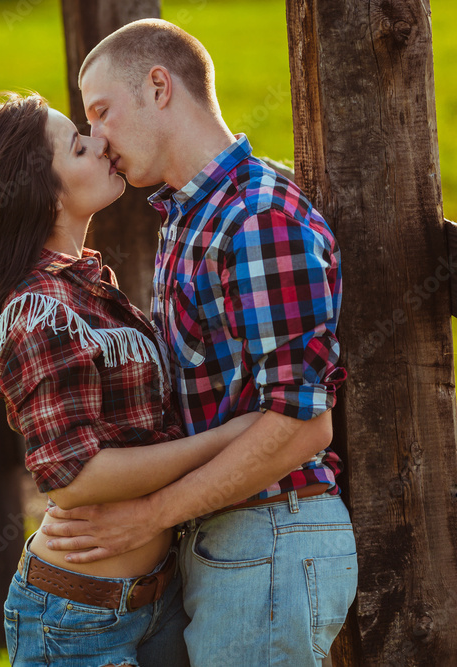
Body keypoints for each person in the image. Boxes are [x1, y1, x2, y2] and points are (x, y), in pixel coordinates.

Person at [40, 19, 358, 666]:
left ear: (159, 87)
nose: (96, 139)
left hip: (268, 533)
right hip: (232, 537)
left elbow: (302, 425)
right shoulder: (191, 215)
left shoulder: (256, 219)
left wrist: (151, 513)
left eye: (102, 112)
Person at [0, 91, 261, 667]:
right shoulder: (41, 309)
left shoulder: (85, 285)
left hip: (155, 599)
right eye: (78, 146)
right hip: (78, 622)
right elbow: (75, 477)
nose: (101, 144)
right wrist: (227, 439)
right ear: (39, 190)